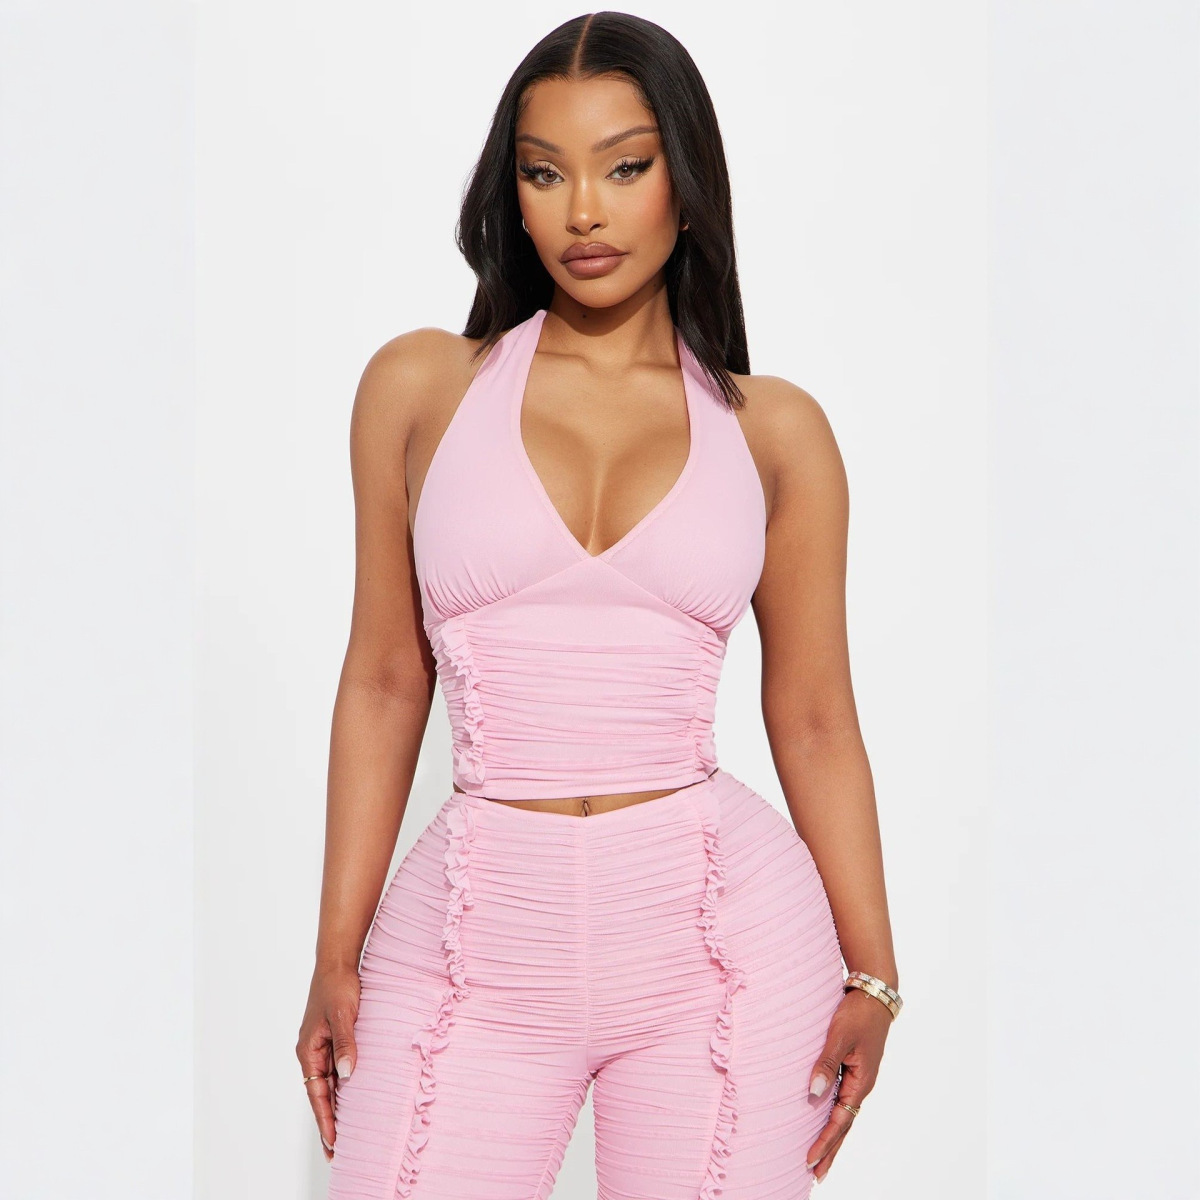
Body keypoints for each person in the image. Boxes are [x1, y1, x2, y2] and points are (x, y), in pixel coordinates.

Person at [297, 12, 902, 1199]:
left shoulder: (775, 431)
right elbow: (384, 678)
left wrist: (873, 973)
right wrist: (334, 949)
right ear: (512, 196)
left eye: (624, 167)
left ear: (686, 182)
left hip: (721, 955)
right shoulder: (420, 388)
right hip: (472, 947)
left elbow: (816, 716)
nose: (584, 211)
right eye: (544, 172)